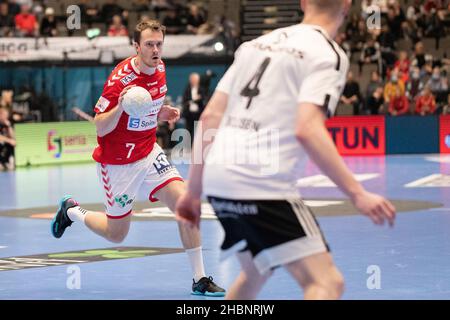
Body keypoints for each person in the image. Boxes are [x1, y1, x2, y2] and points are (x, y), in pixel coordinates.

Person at [175, 0, 396, 300]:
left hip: (219, 178)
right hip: (261, 182)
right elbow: (307, 128)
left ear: (303, 2)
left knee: (256, 271)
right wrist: (357, 193)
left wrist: (192, 192)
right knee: (327, 284)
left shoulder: (256, 45)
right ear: (347, 6)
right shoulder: (328, 54)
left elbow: (211, 117)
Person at [50, 20, 225, 297]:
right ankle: (71, 211)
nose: (155, 50)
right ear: (136, 46)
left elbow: (144, 112)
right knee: (116, 234)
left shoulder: (162, 69)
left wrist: (160, 113)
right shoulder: (121, 80)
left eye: (159, 44)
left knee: (185, 205)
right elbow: (100, 125)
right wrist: (121, 105)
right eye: (149, 45)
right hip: (117, 163)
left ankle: (199, 278)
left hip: (147, 150)